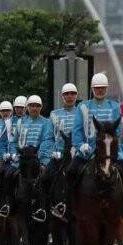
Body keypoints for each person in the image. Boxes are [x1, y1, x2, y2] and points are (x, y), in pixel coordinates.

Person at [69, 73, 123, 223]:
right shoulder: (83, 106)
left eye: (103, 88)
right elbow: (76, 131)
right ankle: (69, 207)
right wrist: (80, 145)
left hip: (111, 151)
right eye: (97, 88)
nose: (100, 91)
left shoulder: (115, 106)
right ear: (92, 89)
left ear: (107, 89)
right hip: (87, 151)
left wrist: (112, 144)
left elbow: (118, 131)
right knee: (70, 172)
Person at [0, 95, 53, 221]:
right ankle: (9, 204)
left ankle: (43, 208)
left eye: (37, 106)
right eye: (31, 106)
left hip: (38, 159)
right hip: (21, 160)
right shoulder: (20, 122)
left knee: (47, 178)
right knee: (6, 175)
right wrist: (14, 154)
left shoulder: (46, 122)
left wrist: (38, 156)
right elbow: (13, 141)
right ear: (27, 107)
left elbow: (46, 141)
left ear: (41, 108)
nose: (34, 108)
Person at [45, 83, 78, 218]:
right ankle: (45, 209)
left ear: (76, 96)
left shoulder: (83, 113)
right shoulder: (54, 115)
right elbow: (48, 138)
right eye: (66, 94)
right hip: (59, 156)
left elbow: (89, 135)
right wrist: (53, 152)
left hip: (79, 155)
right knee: (44, 178)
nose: (69, 96)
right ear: (62, 96)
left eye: (72, 94)